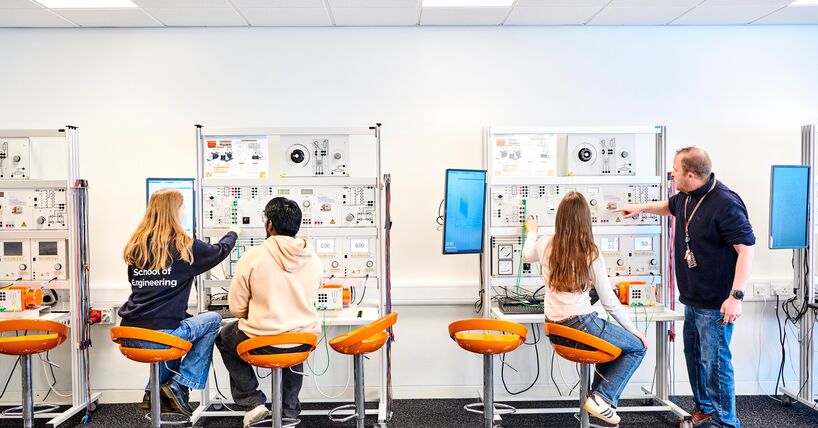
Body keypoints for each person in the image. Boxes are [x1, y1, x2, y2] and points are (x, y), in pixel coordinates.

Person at [616, 147, 755, 428]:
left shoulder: (725, 203)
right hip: (692, 299)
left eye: (676, 170)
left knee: (715, 364)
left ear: (690, 175)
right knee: (694, 358)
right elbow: (669, 207)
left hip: (716, 303)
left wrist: (736, 296)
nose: (672, 174)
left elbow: (746, 250)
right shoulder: (687, 196)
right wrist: (641, 208)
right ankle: (705, 409)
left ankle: (726, 422)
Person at [523, 191, 648, 425]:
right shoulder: (590, 251)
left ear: (559, 217)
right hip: (581, 324)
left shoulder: (545, 243)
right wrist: (634, 331)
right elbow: (609, 300)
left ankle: (597, 399)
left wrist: (531, 231)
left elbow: (525, 256)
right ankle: (601, 398)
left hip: (555, 328)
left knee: (613, 346)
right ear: (585, 219)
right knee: (637, 347)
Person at [118, 189, 239, 416]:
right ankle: (181, 385)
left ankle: (152, 391)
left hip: (130, 333)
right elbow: (220, 251)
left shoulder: (136, 246)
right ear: (176, 211)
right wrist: (233, 232)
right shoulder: (185, 247)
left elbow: (145, 291)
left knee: (182, 329)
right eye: (182, 208)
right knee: (212, 320)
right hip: (159, 337)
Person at [215, 197, 323, 428]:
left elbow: (236, 307)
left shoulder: (253, 256)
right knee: (294, 339)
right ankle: (289, 411)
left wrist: (256, 314)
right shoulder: (313, 258)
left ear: (270, 224)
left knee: (224, 337)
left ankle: (252, 402)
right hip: (303, 340)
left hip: (262, 342)